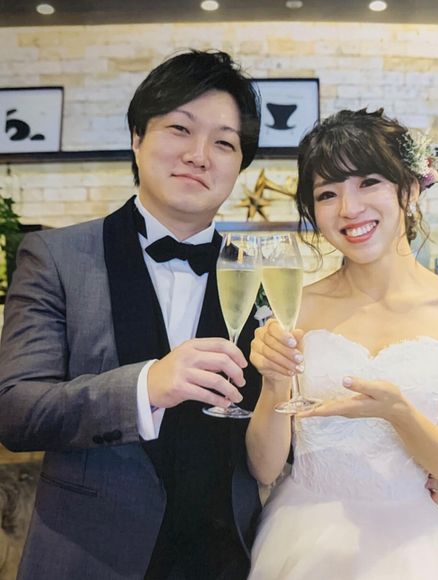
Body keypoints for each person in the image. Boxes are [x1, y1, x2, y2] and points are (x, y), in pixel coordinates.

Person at [0, 49, 262, 580]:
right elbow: (16, 410)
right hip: (91, 555)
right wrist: (147, 386)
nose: (198, 155)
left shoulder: (259, 274)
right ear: (138, 138)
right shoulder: (55, 256)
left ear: (239, 164)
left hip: (229, 557)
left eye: (224, 142)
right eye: (179, 129)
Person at [246, 109, 438, 579]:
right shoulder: (295, 305)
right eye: (327, 194)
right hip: (301, 533)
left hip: (412, 545)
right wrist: (274, 382)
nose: (349, 208)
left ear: (410, 189)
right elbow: (264, 469)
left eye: (368, 182)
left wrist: (398, 413)